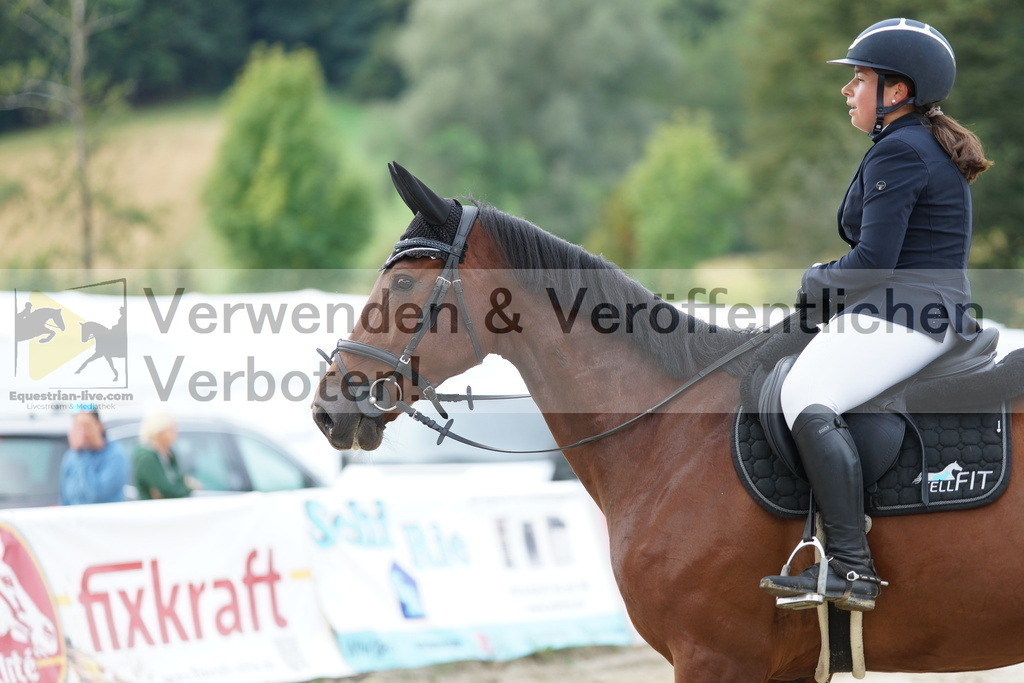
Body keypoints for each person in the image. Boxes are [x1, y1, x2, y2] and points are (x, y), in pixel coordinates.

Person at [759, 18, 992, 611]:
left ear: (896, 91)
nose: (847, 90)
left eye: (858, 79)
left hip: (912, 314)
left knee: (805, 395)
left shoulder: (902, 151)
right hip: (907, 308)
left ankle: (852, 569)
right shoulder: (913, 145)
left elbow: (871, 264)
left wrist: (815, 279)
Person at [59, 406, 129, 505]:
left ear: (99, 426)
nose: (82, 432)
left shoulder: (115, 456)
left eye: (87, 426)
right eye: (78, 426)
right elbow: (64, 499)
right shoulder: (70, 458)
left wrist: (82, 455)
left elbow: (95, 497)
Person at [132, 412, 201, 500]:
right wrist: (189, 489)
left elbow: (179, 480)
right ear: (160, 431)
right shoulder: (146, 457)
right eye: (172, 430)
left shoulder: (169, 453)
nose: (176, 433)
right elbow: (167, 490)